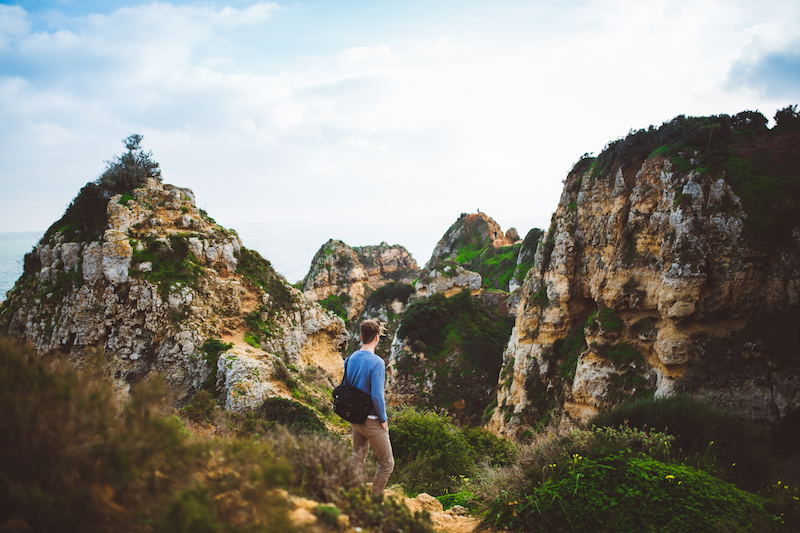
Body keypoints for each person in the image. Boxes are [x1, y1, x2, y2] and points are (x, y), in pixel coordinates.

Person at [345, 318, 394, 498]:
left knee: (358, 459)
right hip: (371, 420)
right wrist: (383, 420)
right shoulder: (377, 362)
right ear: (376, 338)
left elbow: (346, 387)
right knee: (387, 463)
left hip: (355, 420)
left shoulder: (350, 359)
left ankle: (352, 496)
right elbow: (377, 396)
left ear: (360, 336)